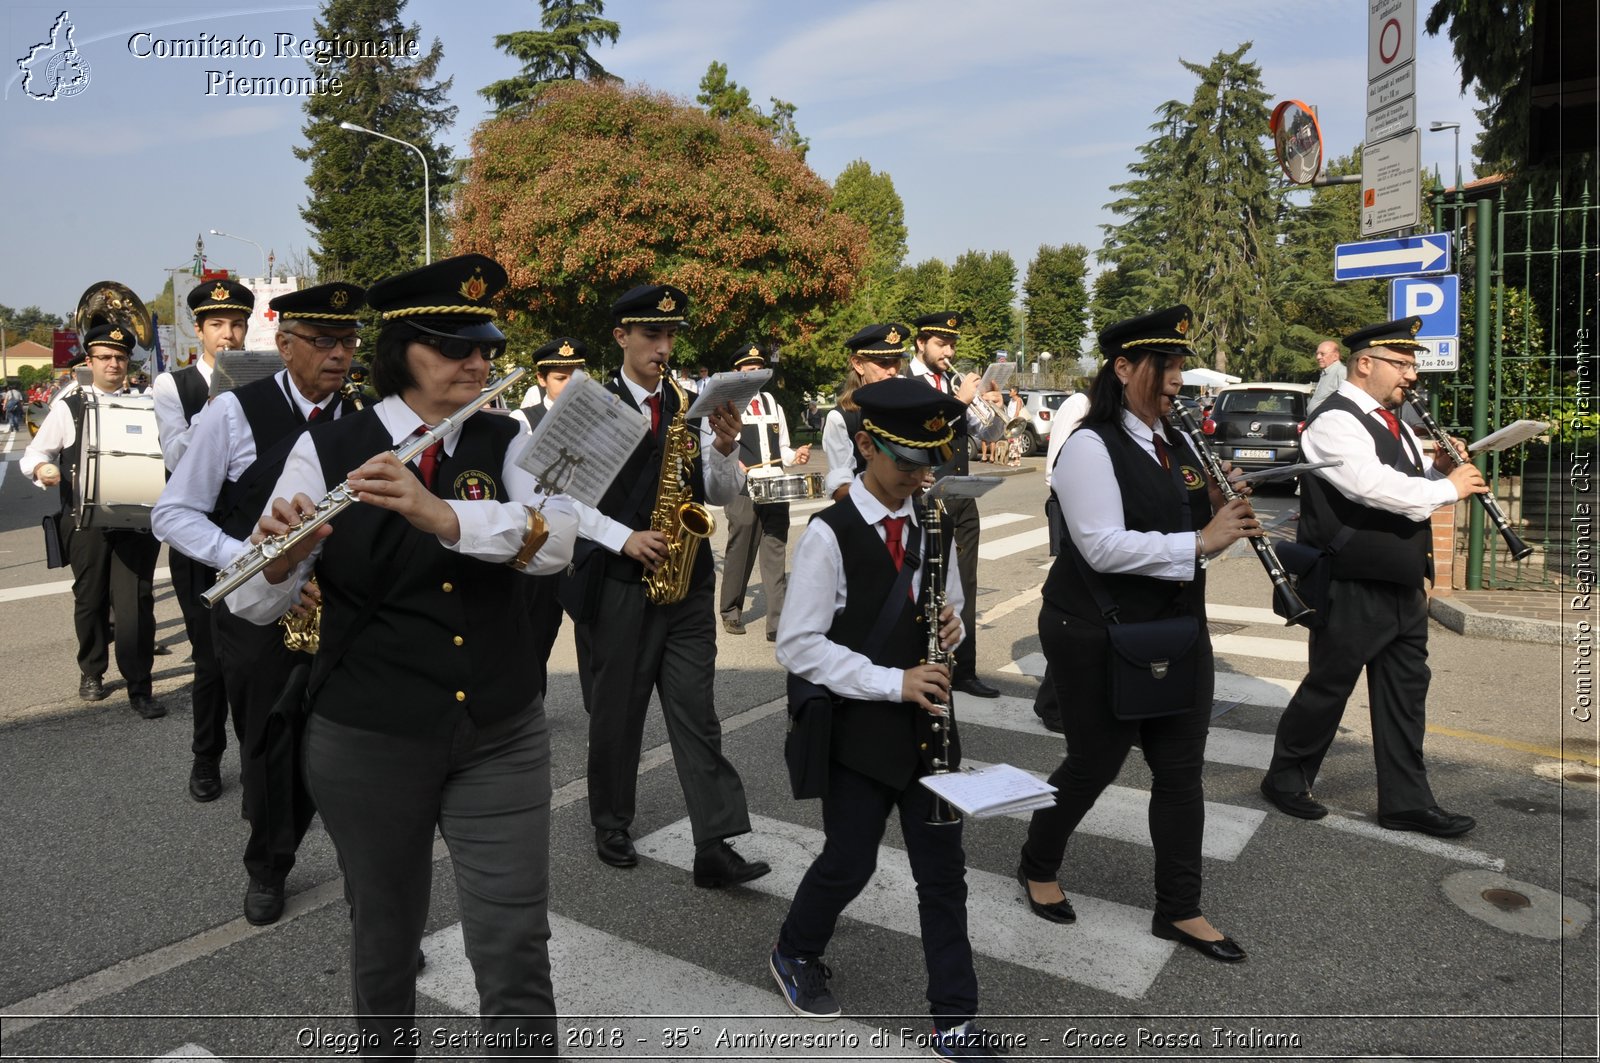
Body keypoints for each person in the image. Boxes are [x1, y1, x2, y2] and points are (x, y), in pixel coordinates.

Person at [229, 254, 575, 1056]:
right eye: (456, 346)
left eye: (485, 345)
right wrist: (280, 557)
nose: (480, 362)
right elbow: (250, 600)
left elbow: (556, 537)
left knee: (515, 943)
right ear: (403, 350)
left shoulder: (505, 432)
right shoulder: (331, 448)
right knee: (385, 942)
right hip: (370, 736)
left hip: (500, 727)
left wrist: (444, 515)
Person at [771, 377, 1008, 1059]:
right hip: (859, 727)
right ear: (867, 445)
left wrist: (953, 628)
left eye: (932, 459)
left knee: (943, 871)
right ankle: (795, 947)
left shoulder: (931, 518)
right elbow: (798, 644)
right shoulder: (830, 533)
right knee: (850, 859)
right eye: (909, 462)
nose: (923, 475)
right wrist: (891, 680)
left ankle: (955, 1018)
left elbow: (952, 605)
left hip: (928, 721)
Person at [1018, 305, 1260, 965]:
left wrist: (1222, 511)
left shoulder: (1178, 443)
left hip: (1175, 628)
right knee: (1093, 762)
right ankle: (1037, 859)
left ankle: (1180, 907)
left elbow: (1194, 540)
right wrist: (1201, 537)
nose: (1177, 380)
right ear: (1123, 367)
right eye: (1165, 367)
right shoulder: (1090, 445)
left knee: (1180, 772)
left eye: (1181, 365)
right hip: (1094, 628)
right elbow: (1098, 546)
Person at [152, 281, 367, 925]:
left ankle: (371, 886)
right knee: (270, 744)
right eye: (324, 341)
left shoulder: (366, 419)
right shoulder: (231, 414)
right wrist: (249, 563)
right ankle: (270, 866)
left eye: (349, 341)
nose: (340, 354)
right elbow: (174, 514)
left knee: (357, 747)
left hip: (341, 611)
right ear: (286, 344)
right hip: (256, 611)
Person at [570, 283, 769, 886]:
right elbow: (559, 499)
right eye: (651, 335)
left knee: (696, 712)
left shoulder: (692, 403)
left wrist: (727, 447)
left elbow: (719, 492)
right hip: (618, 578)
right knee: (617, 712)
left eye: (670, 335)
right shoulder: (590, 405)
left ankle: (714, 843)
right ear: (621, 338)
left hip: (684, 579)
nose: (663, 346)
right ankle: (610, 821)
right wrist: (622, 537)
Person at [1261, 317, 1487, 837]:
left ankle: (1407, 801)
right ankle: (1286, 778)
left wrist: (1446, 470)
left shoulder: (1399, 424)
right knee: (1329, 687)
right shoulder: (1332, 420)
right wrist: (1447, 489)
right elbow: (1371, 487)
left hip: (1402, 583)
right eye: (1402, 365)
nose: (1411, 377)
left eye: (1412, 366)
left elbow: (1412, 482)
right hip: (1350, 579)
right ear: (1366, 364)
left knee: (1405, 694)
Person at [20, 325, 165, 719]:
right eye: (105, 357)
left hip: (136, 520)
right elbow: (33, 454)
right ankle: (93, 671)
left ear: (127, 362)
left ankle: (140, 687)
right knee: (91, 599)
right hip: (84, 520)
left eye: (120, 357)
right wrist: (44, 469)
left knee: (136, 604)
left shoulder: (148, 405)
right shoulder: (70, 407)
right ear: (90, 362)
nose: (113, 363)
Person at [153, 277, 253, 803]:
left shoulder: (263, 379)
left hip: (250, 534)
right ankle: (206, 758)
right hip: (198, 539)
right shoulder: (174, 387)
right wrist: (220, 402)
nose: (229, 335)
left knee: (257, 656)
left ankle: (259, 754)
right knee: (212, 660)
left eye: (237, 324)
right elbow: (175, 458)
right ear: (199, 330)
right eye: (218, 325)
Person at [908, 312, 1004, 699]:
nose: (948, 352)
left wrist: (994, 409)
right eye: (940, 344)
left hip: (962, 495)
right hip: (924, 495)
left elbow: (987, 433)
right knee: (922, 585)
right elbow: (920, 430)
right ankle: (922, 665)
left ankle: (965, 671)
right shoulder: (905, 383)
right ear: (920, 344)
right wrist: (959, 401)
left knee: (964, 584)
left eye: (951, 345)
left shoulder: (952, 382)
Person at [512, 336, 587, 698]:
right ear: (542, 379)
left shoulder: (596, 417)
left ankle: (601, 716)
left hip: (588, 542)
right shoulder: (522, 421)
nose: (570, 383)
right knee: (535, 637)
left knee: (593, 636)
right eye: (561, 377)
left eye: (576, 375)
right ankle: (530, 711)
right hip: (542, 541)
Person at [720, 343, 811, 641]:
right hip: (742, 488)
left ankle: (778, 623)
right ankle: (731, 611)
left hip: (774, 485)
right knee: (740, 549)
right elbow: (717, 449)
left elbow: (782, 448)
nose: (755, 374)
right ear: (737, 373)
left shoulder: (773, 404)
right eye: (749, 370)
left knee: (775, 550)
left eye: (759, 369)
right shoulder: (727, 404)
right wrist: (735, 465)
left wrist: (794, 456)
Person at [1031, 389, 1091, 734]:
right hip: (1075, 515)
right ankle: (1052, 703)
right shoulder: (1079, 404)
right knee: (1075, 604)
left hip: (1099, 517)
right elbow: (1055, 470)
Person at [822, 324, 908, 502]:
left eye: (896, 361)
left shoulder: (907, 407)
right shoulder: (840, 418)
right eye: (883, 363)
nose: (892, 371)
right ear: (858, 364)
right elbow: (841, 490)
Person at [1307, 339, 1346, 413]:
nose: (1318, 357)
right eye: (1317, 354)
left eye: (1322, 354)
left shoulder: (1342, 372)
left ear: (1335, 356)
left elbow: (1347, 402)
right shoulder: (1326, 372)